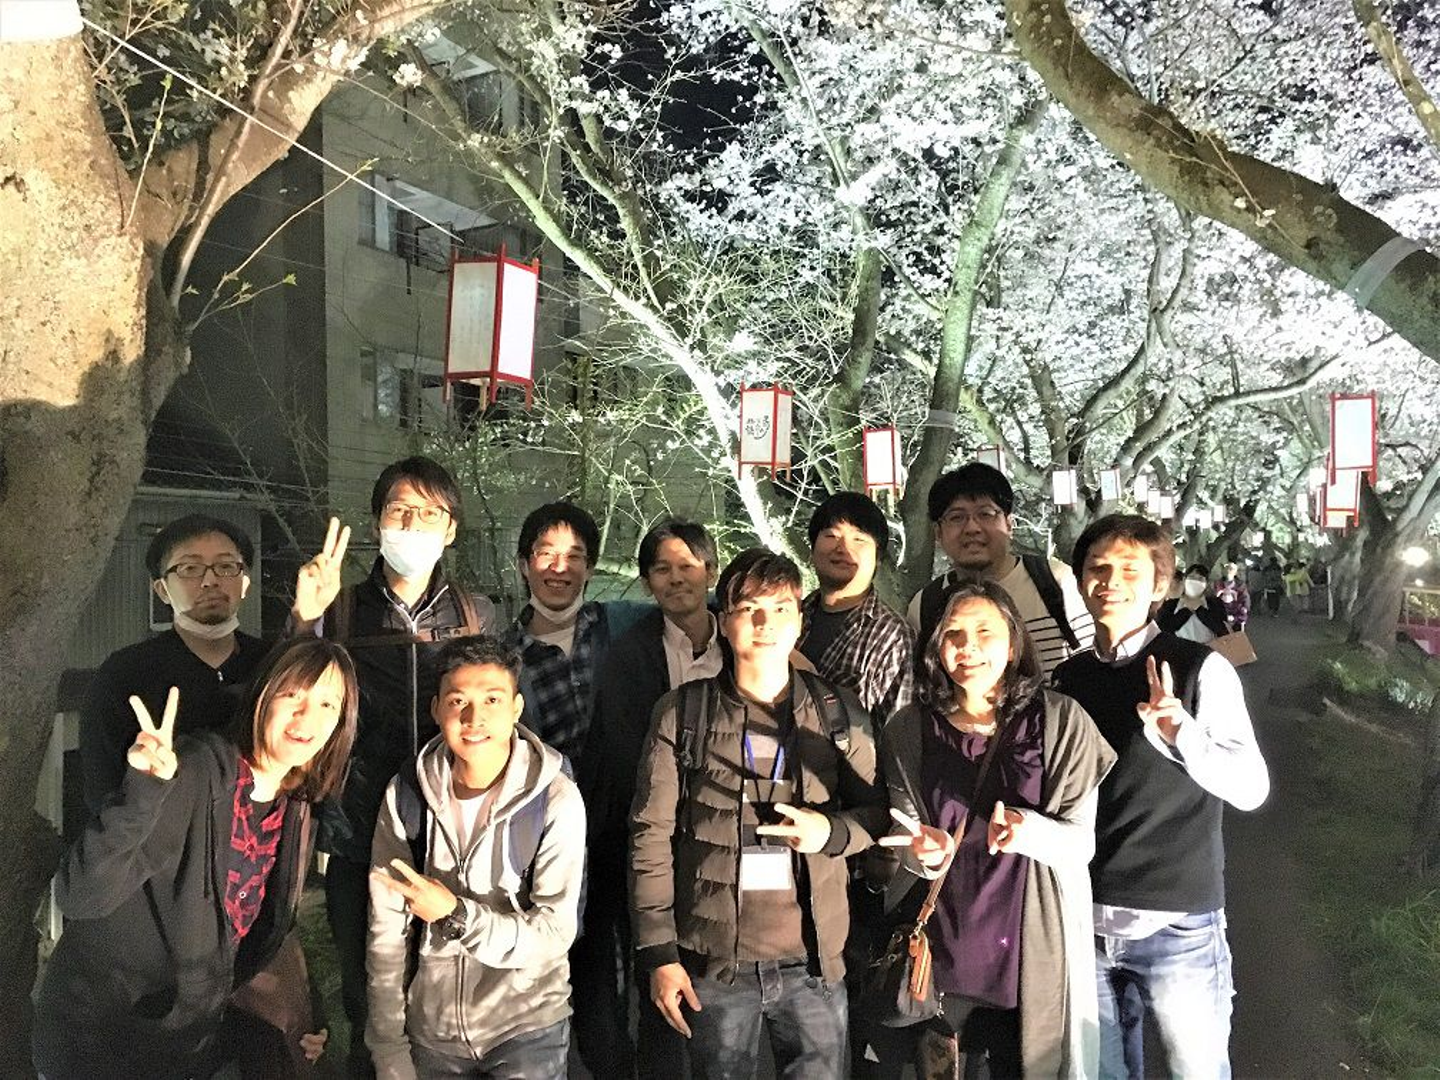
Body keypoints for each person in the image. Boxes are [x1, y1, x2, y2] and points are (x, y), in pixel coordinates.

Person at [34, 638, 358, 1080]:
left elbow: (257, 931)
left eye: (328, 704)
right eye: (292, 695)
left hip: (179, 1045)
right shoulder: (195, 773)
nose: (308, 717)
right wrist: (143, 791)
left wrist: (306, 1011)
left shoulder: (294, 805)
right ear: (263, 695)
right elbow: (80, 895)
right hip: (99, 1041)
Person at [630, 548, 888, 1080]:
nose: (765, 623)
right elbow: (649, 836)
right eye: (749, 609)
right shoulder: (682, 712)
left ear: (799, 620)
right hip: (716, 967)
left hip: (814, 962)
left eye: (780, 608)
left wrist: (831, 831)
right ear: (725, 622)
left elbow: (881, 813)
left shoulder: (837, 710)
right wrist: (659, 953)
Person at [291, 455, 498, 1072]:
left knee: (453, 985)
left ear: (451, 529)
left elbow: (499, 714)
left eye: (429, 514)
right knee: (367, 988)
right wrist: (306, 618)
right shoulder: (342, 609)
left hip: (455, 831)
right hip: (360, 831)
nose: (412, 525)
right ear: (378, 521)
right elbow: (293, 692)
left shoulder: (476, 614)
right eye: (399, 511)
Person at [1053, 514, 1270, 1079]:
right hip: (1082, 919)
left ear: (1159, 585)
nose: (1111, 581)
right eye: (1098, 568)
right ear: (1081, 580)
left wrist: (1181, 734)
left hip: (1179, 920)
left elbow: (1251, 788)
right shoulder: (1067, 680)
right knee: (1102, 1073)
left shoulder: (1200, 668)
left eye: (1131, 569)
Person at [872, 582, 1114, 1077]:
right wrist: (924, 854)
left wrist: (1028, 830)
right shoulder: (909, 729)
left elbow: (1081, 845)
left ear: (1013, 642)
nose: (969, 647)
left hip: (1030, 951)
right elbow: (907, 837)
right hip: (941, 950)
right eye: (953, 634)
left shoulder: (1060, 721)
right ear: (936, 646)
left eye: (985, 632)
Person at [366, 637, 586, 1080]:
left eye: (492, 700)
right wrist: (388, 1045)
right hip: (434, 1032)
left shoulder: (553, 797)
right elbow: (386, 931)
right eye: (458, 701)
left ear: (517, 707)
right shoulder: (408, 795)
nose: (473, 718)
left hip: (527, 1027)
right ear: (436, 709)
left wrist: (456, 916)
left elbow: (554, 931)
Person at [574, 520, 723, 1079]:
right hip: (652, 836)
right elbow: (625, 754)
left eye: (687, 566)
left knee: (717, 990)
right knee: (658, 983)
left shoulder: (740, 642)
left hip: (726, 837)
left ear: (710, 571)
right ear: (646, 581)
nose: (676, 579)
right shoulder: (628, 655)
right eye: (662, 569)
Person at [79, 514, 269, 811]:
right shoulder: (125, 674)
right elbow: (102, 793)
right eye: (190, 568)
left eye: (226, 566)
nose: (210, 581)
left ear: (244, 583)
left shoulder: (270, 665)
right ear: (162, 590)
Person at [908, 463, 1094, 676]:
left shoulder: (1060, 583)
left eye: (985, 514)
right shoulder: (925, 606)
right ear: (938, 533)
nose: (972, 528)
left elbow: (1094, 668)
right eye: (956, 517)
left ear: (1009, 524)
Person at [503, 501, 647, 766]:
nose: (559, 567)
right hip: (550, 790)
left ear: (590, 568)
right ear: (524, 565)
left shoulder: (620, 623)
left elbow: (686, 606)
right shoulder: (505, 657)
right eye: (546, 553)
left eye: (573, 556)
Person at [800, 491, 915, 721]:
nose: (842, 548)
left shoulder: (893, 637)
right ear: (812, 549)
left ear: (878, 557)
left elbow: (899, 731)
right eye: (831, 535)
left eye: (859, 539)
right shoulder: (788, 616)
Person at [1155, 565, 1233, 644]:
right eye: (1192, 577)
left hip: (1208, 648)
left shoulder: (1215, 603)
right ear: (1184, 580)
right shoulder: (1171, 604)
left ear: (1206, 583)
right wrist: (1186, 611)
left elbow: (1222, 630)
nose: (1195, 581)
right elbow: (1163, 629)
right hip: (1178, 649)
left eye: (1200, 579)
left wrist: (1199, 609)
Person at [1215, 562, 1250, 631]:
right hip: (1221, 613)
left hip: (1236, 613)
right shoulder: (1218, 583)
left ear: (1235, 572)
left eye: (1231, 569)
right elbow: (1214, 596)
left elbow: (1245, 598)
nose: (1228, 571)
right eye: (1226, 568)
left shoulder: (1240, 584)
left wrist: (1245, 607)